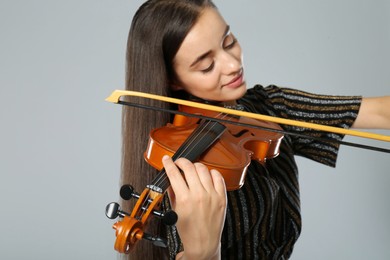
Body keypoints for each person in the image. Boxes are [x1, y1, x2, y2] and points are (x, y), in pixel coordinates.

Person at [120, 0, 390, 259]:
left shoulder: (269, 105)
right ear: (172, 80)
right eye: (206, 65)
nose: (233, 65)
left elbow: (379, 111)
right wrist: (202, 254)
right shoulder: (184, 162)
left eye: (229, 42)